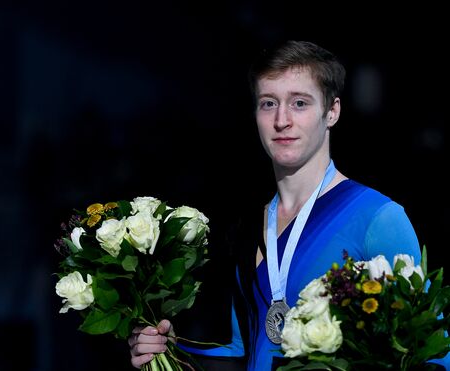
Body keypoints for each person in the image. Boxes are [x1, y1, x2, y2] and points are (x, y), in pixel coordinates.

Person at [127, 40, 449, 370]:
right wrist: (164, 350)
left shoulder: (378, 218)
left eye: (299, 103)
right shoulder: (249, 226)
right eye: (268, 103)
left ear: (332, 112)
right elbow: (246, 351)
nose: (282, 120)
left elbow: (432, 353)